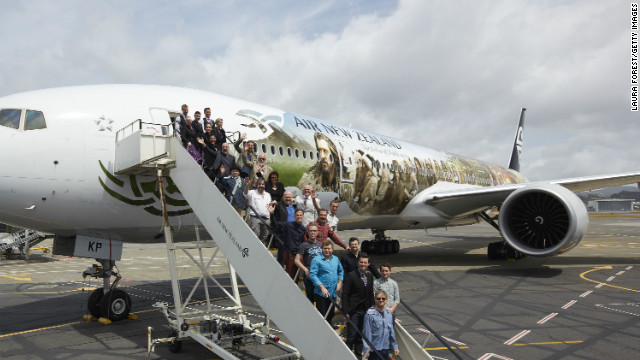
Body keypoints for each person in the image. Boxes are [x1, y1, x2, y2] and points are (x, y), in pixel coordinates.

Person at [342, 254, 375, 359]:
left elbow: (370, 294)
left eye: (365, 262)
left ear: (368, 264)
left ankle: (357, 357)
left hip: (365, 311)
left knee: (360, 337)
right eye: (361, 262)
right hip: (353, 311)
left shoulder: (370, 276)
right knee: (351, 336)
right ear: (358, 263)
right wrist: (345, 311)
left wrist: (372, 309)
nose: (363, 264)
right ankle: (347, 357)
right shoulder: (351, 275)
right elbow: (345, 294)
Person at [309, 240, 343, 324]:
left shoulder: (335, 259)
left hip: (333, 292)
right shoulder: (316, 260)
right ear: (322, 249)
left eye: (329, 248)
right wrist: (322, 287)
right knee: (322, 314)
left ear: (332, 250)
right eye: (325, 248)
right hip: (321, 293)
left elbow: (341, 271)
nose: (327, 250)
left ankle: (329, 329)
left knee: (331, 314)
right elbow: (312, 275)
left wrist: (339, 282)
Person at [269, 207, 306, 279]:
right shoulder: (288, 225)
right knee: (289, 275)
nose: (299, 216)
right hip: (289, 254)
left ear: (303, 217)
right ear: (294, 216)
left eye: (300, 215)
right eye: (297, 215)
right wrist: (272, 214)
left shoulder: (304, 229)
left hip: (299, 255)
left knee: (297, 276)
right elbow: (275, 224)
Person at [362, 289, 399, 360]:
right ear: (375, 300)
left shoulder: (389, 315)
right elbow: (367, 334)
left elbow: (391, 333)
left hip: (385, 349)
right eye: (378, 298)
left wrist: (395, 346)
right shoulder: (369, 315)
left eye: (383, 298)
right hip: (374, 350)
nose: (381, 300)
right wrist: (366, 350)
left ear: (386, 300)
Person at [294, 224, 323, 302]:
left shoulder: (321, 245)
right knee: (310, 297)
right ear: (308, 232)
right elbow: (296, 260)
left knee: (320, 297)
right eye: (311, 231)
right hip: (309, 274)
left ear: (317, 232)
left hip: (320, 274)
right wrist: (305, 269)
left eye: (314, 231)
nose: (312, 233)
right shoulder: (303, 245)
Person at [244, 178, 272, 245]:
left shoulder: (268, 195)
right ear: (257, 185)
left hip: (266, 218)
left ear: (265, 185)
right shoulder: (252, 192)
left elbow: (269, 206)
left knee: (265, 235)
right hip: (255, 217)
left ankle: (261, 250)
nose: (261, 185)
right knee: (255, 235)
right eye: (259, 184)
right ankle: (254, 250)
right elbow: (245, 194)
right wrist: (247, 185)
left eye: (263, 184)